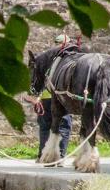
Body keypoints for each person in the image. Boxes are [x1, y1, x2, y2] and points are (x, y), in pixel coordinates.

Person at [23, 34, 74, 163]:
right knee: (63, 127)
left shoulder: (47, 59)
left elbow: (35, 82)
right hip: (61, 100)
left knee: (46, 127)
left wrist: (35, 98)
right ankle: (60, 157)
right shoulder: (68, 61)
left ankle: (42, 155)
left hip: (46, 99)